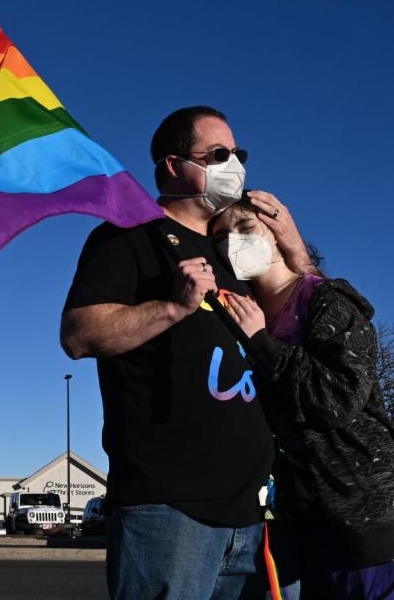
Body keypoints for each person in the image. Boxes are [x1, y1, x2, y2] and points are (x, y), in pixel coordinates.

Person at [61, 106, 312, 600]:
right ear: (174, 166)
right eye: (218, 154)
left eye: (239, 154)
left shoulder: (240, 249)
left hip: (263, 515)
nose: (234, 166)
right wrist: (174, 306)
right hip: (168, 513)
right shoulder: (127, 234)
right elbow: (79, 334)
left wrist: (295, 254)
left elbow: (307, 321)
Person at [211, 194, 394, 599]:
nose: (232, 244)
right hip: (307, 531)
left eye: (244, 229)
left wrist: (262, 343)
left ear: (277, 234)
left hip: (366, 524)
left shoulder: (325, 300)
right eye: (220, 238)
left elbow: (339, 396)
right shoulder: (250, 317)